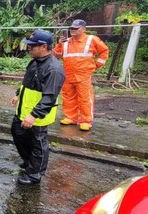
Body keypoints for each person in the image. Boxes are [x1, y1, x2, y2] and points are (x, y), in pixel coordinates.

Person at [10, 30, 65, 185]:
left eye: (33, 46)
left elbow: (49, 97)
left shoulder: (54, 69)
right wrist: (18, 94)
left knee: (38, 144)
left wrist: (34, 115)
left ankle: (35, 174)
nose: (29, 48)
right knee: (17, 133)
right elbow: (27, 82)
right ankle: (29, 162)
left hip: (38, 116)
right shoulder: (35, 61)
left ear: (43, 46)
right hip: (23, 110)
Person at [53, 19, 109, 131]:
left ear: (84, 29)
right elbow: (57, 55)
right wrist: (59, 44)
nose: (73, 30)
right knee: (68, 97)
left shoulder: (91, 39)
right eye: (72, 28)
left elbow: (104, 51)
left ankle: (86, 121)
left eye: (76, 28)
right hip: (68, 75)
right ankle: (70, 117)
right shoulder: (66, 42)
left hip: (83, 75)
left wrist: (97, 65)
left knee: (85, 98)